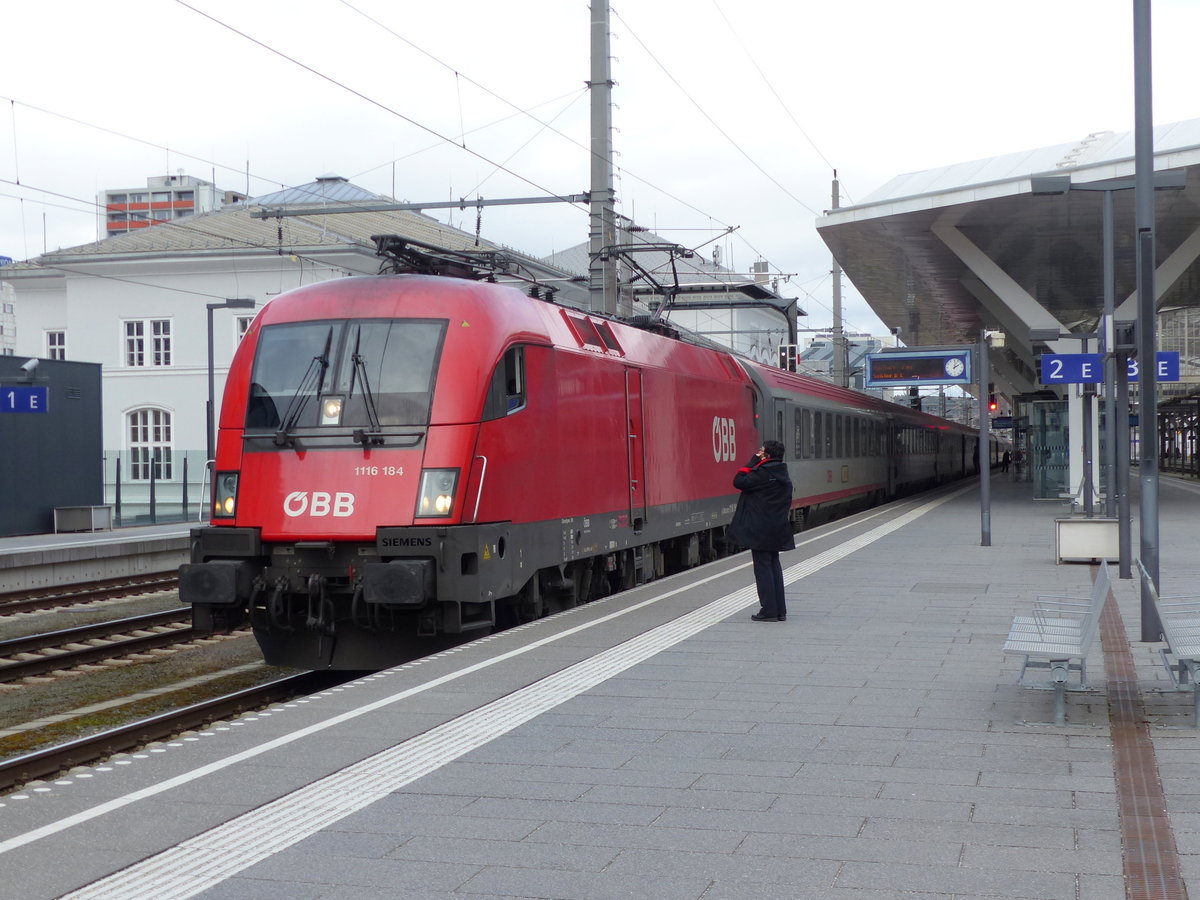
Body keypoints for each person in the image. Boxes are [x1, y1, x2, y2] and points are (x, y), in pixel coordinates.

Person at [727, 439, 795, 622]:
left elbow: (738, 481)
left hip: (760, 530)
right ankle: (780, 610)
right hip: (777, 528)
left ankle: (769, 610)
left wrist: (752, 461)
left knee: (763, 569)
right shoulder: (782, 473)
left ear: (767, 455)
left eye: (761, 451)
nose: (758, 452)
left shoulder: (762, 473)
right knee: (774, 566)